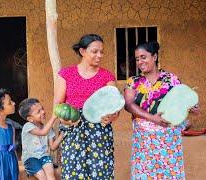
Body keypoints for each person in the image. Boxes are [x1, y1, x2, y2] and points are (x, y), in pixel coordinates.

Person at [124, 41, 198, 179]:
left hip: (168, 142)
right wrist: (152, 118)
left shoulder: (171, 80)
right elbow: (128, 105)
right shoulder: (133, 81)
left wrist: (190, 105)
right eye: (137, 59)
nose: (140, 62)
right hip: (144, 142)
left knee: (169, 174)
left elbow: (181, 101)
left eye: (143, 57)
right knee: (144, 174)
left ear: (155, 56)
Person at [54, 34, 118, 179]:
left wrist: (113, 116)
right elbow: (58, 106)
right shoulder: (66, 74)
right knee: (73, 173)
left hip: (99, 133)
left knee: (100, 172)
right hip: (73, 131)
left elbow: (115, 107)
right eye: (95, 51)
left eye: (101, 52)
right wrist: (65, 120)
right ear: (82, 51)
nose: (99, 55)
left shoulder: (107, 77)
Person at [19, 98, 63, 180]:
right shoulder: (28, 126)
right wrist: (53, 118)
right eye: (38, 112)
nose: (43, 112)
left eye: (42, 108)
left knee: (51, 175)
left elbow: (53, 146)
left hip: (44, 157)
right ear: (30, 119)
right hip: (30, 158)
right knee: (42, 177)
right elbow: (43, 132)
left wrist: (63, 133)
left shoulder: (47, 128)